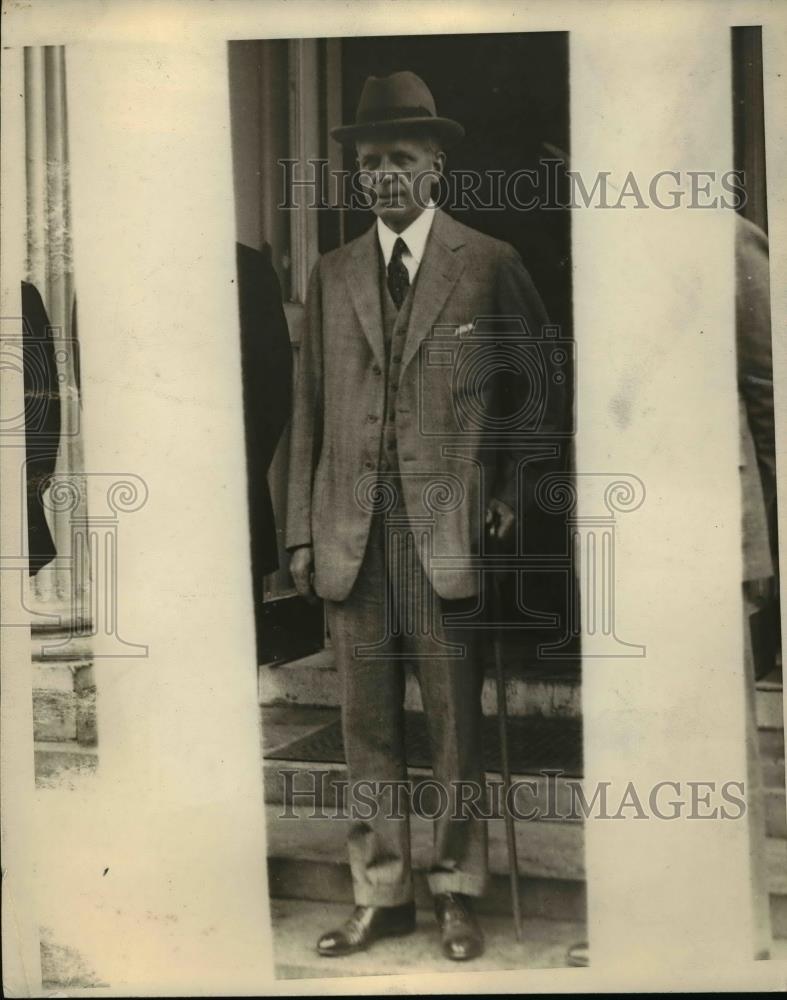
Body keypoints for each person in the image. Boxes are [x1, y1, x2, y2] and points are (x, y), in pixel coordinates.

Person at [286, 71, 561, 961]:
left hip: (444, 534)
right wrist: (298, 528)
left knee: (453, 726)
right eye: (370, 161)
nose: (384, 174)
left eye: (401, 157)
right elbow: (308, 409)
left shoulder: (487, 264)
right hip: (350, 536)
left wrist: (512, 494)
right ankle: (379, 892)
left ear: (436, 164)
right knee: (366, 727)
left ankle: (453, 892)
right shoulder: (331, 277)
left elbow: (535, 399)